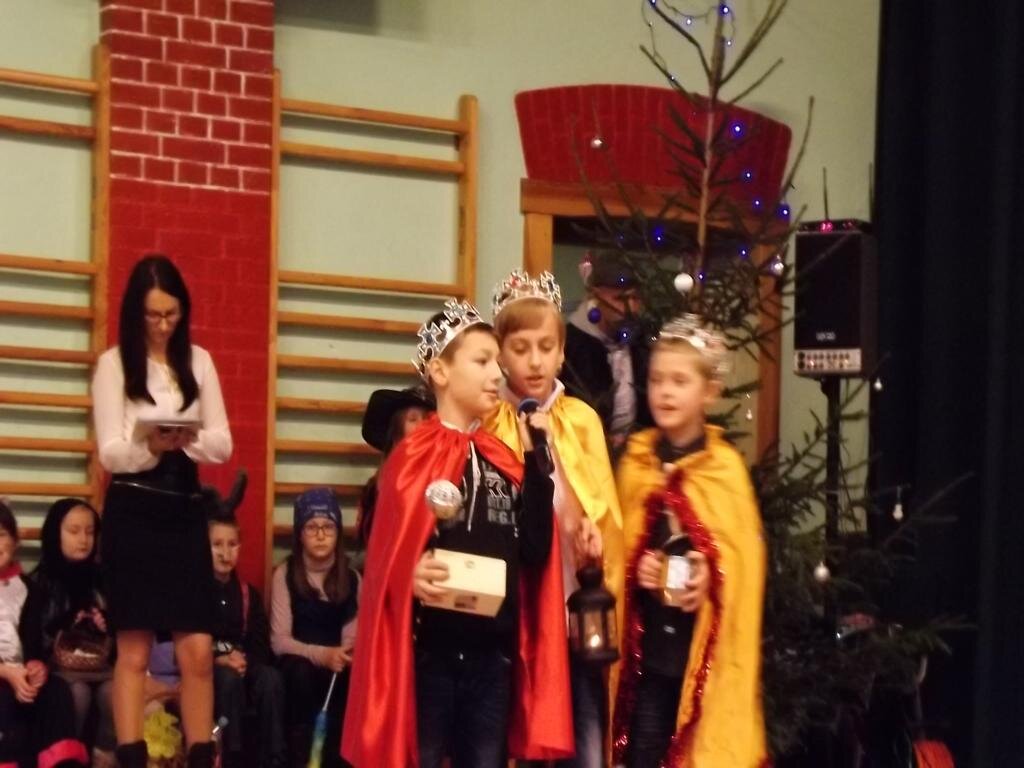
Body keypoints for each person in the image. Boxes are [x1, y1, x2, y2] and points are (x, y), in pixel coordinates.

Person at [342, 299, 572, 768]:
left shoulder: (504, 458)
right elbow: (385, 559)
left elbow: (534, 551)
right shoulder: (411, 459)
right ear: (440, 372)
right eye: (482, 361)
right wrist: (408, 574)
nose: (497, 374)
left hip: (493, 660)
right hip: (431, 658)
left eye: (497, 363)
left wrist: (536, 463)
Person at [91, 253, 232, 768]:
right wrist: (148, 442)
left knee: (198, 650)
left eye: (172, 314)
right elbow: (110, 452)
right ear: (136, 313)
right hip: (133, 508)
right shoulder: (114, 365)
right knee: (134, 650)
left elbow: (222, 443)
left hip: (183, 509)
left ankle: (199, 755)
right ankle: (132, 758)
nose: (163, 324)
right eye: (153, 315)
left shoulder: (199, 361)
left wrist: (184, 438)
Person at [611, 315, 767, 767]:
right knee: (643, 751)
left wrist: (711, 578)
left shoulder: (724, 470)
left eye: (680, 381)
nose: (665, 392)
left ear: (709, 392)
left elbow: (744, 563)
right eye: (657, 380)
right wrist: (637, 568)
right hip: (650, 659)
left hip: (698, 661)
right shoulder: (637, 461)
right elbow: (615, 549)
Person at [485, 269, 624, 768]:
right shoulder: (490, 423)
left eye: (546, 347)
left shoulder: (581, 421)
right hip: (515, 613)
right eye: (520, 348)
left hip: (572, 610)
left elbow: (603, 507)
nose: (535, 360)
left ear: (562, 351)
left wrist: (593, 535)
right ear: (500, 354)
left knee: (584, 736)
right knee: (516, 734)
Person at [270, 488, 358, 768]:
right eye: (312, 527)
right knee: (301, 674)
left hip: (337, 666)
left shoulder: (353, 579)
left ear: (338, 533)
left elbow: (351, 640)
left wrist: (340, 656)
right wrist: (323, 655)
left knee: (352, 678)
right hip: (299, 664)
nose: (321, 535)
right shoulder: (285, 574)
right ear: (300, 533)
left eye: (328, 527)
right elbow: (279, 641)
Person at [203, 472, 286, 768]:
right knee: (227, 680)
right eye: (217, 545)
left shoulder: (248, 594)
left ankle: (273, 758)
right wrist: (219, 659)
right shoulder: (193, 593)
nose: (226, 553)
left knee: (271, 678)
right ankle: (232, 756)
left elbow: (260, 645)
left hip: (243, 669)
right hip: (208, 672)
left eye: (232, 544)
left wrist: (245, 661)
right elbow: (183, 645)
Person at [0, 499, 89, 768]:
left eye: (1, 535)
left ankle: (60, 763)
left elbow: (33, 642)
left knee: (57, 690)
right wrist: (7, 673)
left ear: (15, 541)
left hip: (18, 673)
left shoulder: (28, 588)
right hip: (4, 675)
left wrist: (35, 666)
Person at [26, 498, 115, 764]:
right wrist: (65, 624)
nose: (83, 540)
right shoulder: (40, 582)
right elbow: (32, 639)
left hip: (99, 665)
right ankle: (69, 760)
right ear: (56, 533)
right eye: (74, 531)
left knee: (115, 692)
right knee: (77, 693)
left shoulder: (102, 579)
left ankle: (105, 756)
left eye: (90, 531)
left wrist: (104, 623)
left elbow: (120, 637)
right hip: (57, 668)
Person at [562, 251, 653, 452]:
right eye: (620, 298)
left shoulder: (641, 341)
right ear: (595, 296)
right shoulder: (570, 345)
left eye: (635, 298)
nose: (630, 308)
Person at [356, 384, 435, 547]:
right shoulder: (375, 489)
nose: (422, 426)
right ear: (397, 433)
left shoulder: (445, 479)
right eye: (413, 419)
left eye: (428, 419)